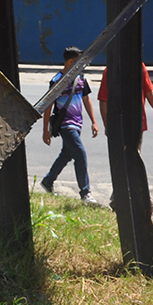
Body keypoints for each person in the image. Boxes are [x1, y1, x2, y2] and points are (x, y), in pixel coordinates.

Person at [98, 62, 153, 211]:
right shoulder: (111, 70)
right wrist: (107, 125)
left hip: (136, 123)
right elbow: (104, 99)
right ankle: (143, 200)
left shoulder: (139, 67)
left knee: (131, 159)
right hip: (118, 124)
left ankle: (118, 197)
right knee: (127, 160)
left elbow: (149, 91)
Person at [40, 46, 102, 205]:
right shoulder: (57, 81)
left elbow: (86, 100)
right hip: (66, 125)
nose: (82, 65)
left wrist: (94, 121)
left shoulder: (81, 79)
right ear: (71, 61)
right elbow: (48, 105)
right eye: (79, 62)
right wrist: (46, 131)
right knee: (80, 154)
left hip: (78, 124)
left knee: (66, 155)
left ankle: (48, 181)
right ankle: (85, 193)